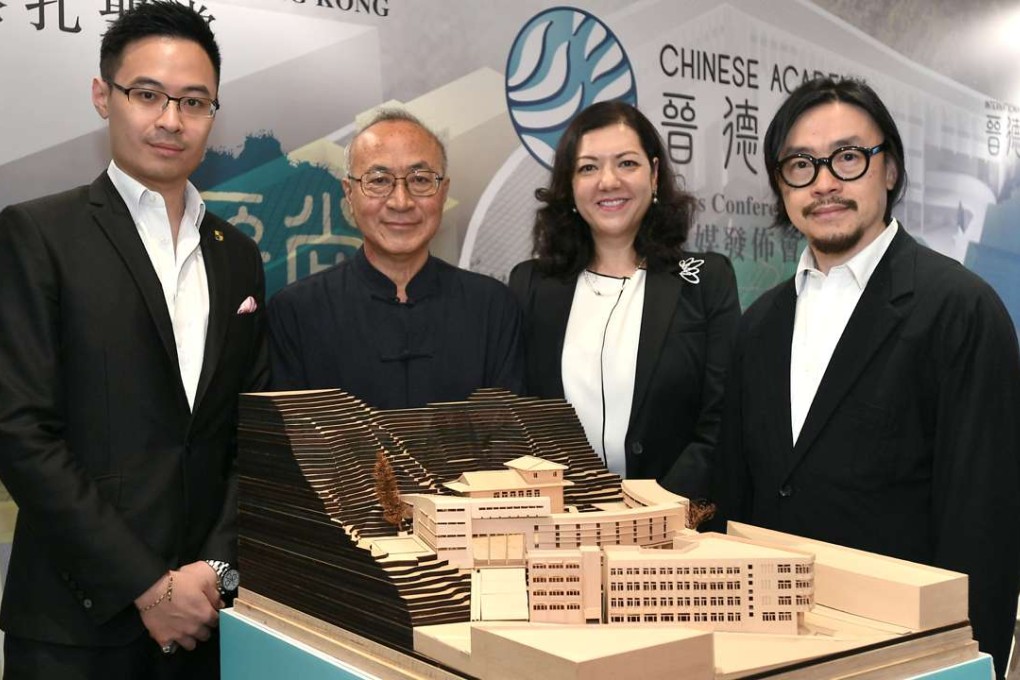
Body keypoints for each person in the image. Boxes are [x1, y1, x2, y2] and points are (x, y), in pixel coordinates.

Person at [712, 77, 1020, 678]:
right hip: (771, 647)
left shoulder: (960, 310)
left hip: (904, 651)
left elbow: (984, 521)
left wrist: (965, 664)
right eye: (801, 164)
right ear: (781, 186)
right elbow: (737, 496)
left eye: (848, 157)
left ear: (891, 170)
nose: (824, 182)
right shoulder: (759, 325)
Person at [0, 2, 269, 677]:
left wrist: (213, 571)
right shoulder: (39, 235)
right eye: (147, 95)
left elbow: (252, 433)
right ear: (103, 95)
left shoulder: (238, 256)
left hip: (208, 622)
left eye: (194, 102)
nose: (171, 120)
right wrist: (147, 587)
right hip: (76, 627)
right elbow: (20, 431)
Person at [509, 101, 740, 501]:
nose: (608, 181)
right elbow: (515, 420)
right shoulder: (530, 284)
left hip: (674, 522)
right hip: (558, 523)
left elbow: (721, 421)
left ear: (654, 174)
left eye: (627, 163)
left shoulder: (706, 280)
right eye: (588, 168)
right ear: (569, 185)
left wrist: (655, 510)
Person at [267, 109, 524, 409]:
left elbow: (509, 431)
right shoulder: (297, 312)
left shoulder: (492, 307)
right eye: (379, 180)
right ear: (349, 193)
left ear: (443, 191)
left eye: (420, 179)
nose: (401, 201)